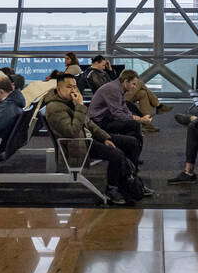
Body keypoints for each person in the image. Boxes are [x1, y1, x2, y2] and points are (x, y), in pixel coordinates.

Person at [43, 73, 152, 204]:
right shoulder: (55, 108)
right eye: (69, 87)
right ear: (59, 89)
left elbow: (89, 123)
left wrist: (105, 137)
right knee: (117, 154)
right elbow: (71, 132)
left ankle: (130, 179)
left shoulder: (69, 102)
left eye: (75, 86)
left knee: (132, 143)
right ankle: (112, 189)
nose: (73, 90)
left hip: (88, 137)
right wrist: (80, 107)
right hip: (78, 144)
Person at [88, 69, 150, 152]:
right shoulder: (113, 89)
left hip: (106, 118)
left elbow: (123, 107)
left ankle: (133, 150)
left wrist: (134, 117)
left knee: (133, 125)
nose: (134, 87)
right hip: (99, 122)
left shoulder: (118, 87)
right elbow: (117, 113)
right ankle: (135, 151)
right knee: (134, 125)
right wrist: (138, 119)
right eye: (133, 84)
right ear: (126, 81)